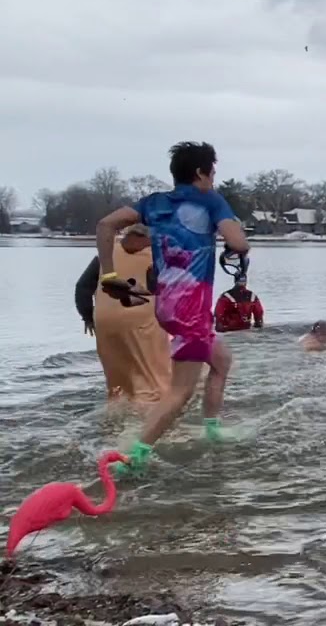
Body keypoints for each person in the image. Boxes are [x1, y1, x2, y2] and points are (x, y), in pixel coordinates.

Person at [96, 141, 250, 477]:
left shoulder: (154, 203)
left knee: (222, 361)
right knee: (179, 392)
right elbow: (239, 244)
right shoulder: (209, 200)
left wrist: (109, 274)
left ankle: (212, 430)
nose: (213, 177)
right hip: (191, 310)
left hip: (166, 306)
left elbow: (106, 225)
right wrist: (229, 228)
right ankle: (133, 457)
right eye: (212, 171)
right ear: (200, 172)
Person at [73, 223, 171, 405]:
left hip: (105, 321)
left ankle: (115, 415)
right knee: (154, 379)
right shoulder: (157, 255)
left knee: (117, 383)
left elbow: (82, 287)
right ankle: (151, 420)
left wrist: (88, 317)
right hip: (143, 320)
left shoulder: (107, 255)